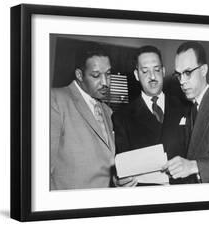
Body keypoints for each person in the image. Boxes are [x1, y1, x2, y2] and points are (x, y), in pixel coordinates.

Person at [112, 45, 189, 186]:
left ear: (164, 71)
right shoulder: (121, 117)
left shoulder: (186, 107)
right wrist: (119, 180)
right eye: (145, 71)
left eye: (157, 70)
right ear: (136, 75)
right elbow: (121, 165)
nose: (152, 77)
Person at [163, 41, 209, 183]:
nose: (182, 81)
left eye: (187, 73)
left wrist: (195, 166)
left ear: (204, 70)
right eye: (178, 75)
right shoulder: (190, 109)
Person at [50, 44, 115, 190]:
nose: (105, 83)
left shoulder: (108, 111)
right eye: (96, 75)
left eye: (108, 74)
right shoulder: (54, 99)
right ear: (79, 75)